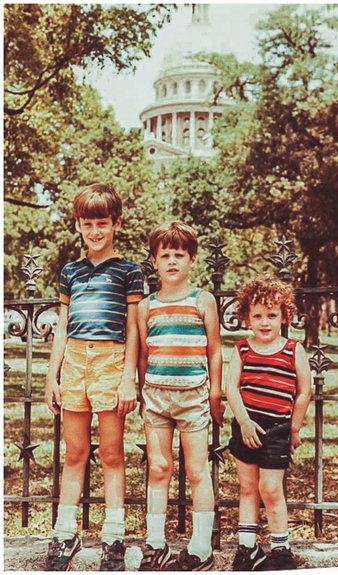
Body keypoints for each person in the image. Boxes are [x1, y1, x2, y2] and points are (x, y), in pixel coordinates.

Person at [43, 184, 144, 571]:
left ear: (116, 223)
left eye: (103, 223)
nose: (96, 231)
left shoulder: (128, 271)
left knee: (112, 454)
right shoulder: (71, 271)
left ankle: (114, 535)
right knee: (75, 452)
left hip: (110, 361)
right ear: (79, 225)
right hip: (75, 362)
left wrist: (128, 379)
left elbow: (133, 329)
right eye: (88, 224)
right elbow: (64, 327)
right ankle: (65, 532)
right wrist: (53, 376)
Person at [136, 222, 224, 571]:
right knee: (159, 468)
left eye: (179, 255)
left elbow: (215, 350)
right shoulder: (146, 306)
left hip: (193, 398)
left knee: (198, 471)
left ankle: (200, 546)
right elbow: (144, 353)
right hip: (156, 398)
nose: (172, 261)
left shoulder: (203, 300)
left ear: (192, 259)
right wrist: (144, 393)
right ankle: (155, 543)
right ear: (154, 261)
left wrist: (215, 392)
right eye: (165, 255)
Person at [226, 276, 312, 571]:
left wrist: (295, 428)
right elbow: (231, 388)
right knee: (248, 487)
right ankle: (247, 548)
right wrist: (244, 421)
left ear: (284, 316)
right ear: (246, 318)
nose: (265, 322)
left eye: (272, 315)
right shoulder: (242, 350)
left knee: (271, 489)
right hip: (246, 426)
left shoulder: (292, 350)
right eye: (258, 315)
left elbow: (303, 392)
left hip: (277, 429)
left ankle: (280, 546)